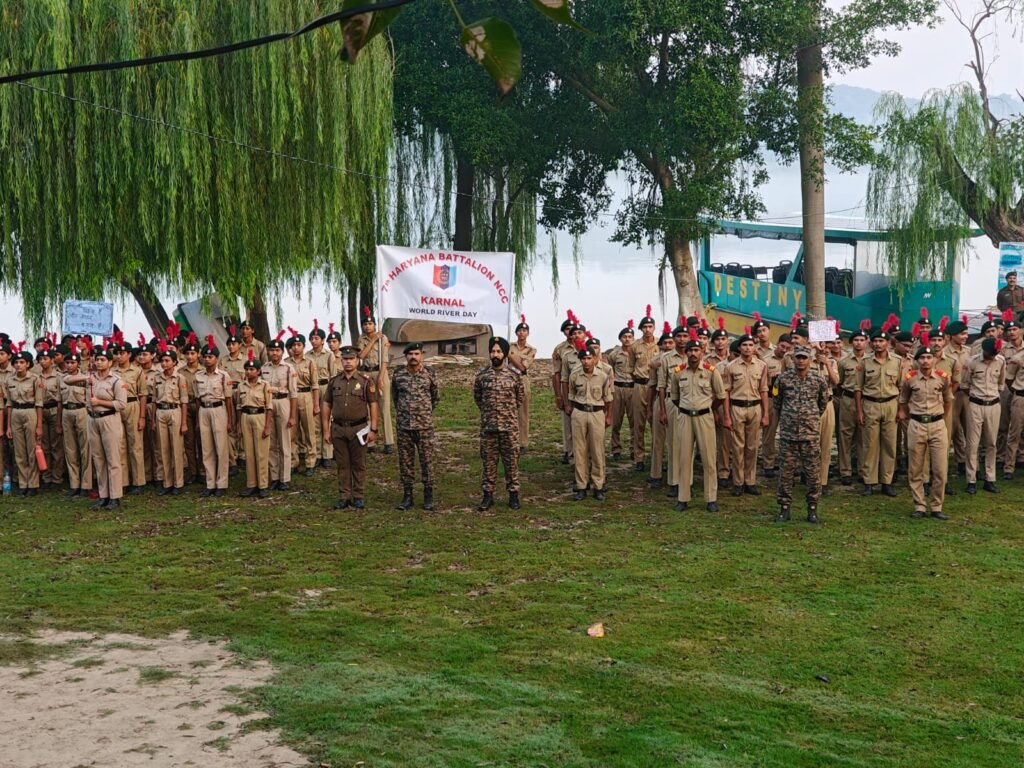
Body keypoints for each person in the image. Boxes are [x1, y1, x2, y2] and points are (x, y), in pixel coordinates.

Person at [898, 337, 953, 519]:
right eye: (922, 358)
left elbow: (947, 400)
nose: (925, 361)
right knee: (916, 468)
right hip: (917, 424)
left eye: (929, 358)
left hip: (937, 424)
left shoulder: (942, 378)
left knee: (940, 469)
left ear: (934, 360)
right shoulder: (910, 379)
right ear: (917, 361)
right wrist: (909, 414)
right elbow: (903, 401)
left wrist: (941, 418)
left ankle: (937, 506)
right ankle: (920, 505)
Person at [774, 345, 829, 523]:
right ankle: (784, 507)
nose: (801, 361)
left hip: (810, 435)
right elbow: (777, 402)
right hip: (788, 435)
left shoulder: (818, 380)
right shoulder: (783, 379)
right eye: (798, 357)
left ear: (810, 359)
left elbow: (822, 403)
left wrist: (809, 418)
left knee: (813, 474)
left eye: (804, 357)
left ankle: (812, 508)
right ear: (793, 358)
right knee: (786, 473)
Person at [669, 335, 725, 512]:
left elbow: (720, 396)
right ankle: (683, 498)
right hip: (685, 417)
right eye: (690, 351)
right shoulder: (678, 372)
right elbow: (675, 397)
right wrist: (686, 409)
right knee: (684, 458)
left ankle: (711, 498)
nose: (693, 354)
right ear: (686, 353)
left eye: (696, 350)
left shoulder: (711, 371)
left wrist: (708, 408)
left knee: (709, 458)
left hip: (704, 417)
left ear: (702, 352)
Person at [321, 345, 378, 509]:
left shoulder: (365, 381)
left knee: (358, 463)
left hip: (359, 428)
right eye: (345, 359)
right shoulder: (334, 381)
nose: (348, 362)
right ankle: (344, 495)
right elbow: (326, 405)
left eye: (351, 359)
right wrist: (326, 430)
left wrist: (373, 428)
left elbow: (373, 405)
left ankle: (358, 494)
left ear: (357, 360)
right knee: (342, 464)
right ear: (341, 361)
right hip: (338, 428)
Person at [473, 337, 524, 511]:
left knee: (511, 463)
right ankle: (488, 496)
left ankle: (513, 495)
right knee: (488, 462)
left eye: (498, 351)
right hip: (489, 428)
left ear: (504, 354)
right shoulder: (481, 375)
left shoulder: (514, 375)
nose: (495, 354)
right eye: (493, 351)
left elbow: (519, 399)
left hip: (509, 428)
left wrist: (506, 414)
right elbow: (478, 398)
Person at [855, 325, 901, 497]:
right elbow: (858, 388)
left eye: (881, 341)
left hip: (890, 404)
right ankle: (869, 481)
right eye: (874, 341)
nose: (877, 344)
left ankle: (887, 482)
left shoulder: (897, 362)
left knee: (889, 445)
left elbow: (902, 387)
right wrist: (859, 411)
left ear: (888, 343)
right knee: (870, 444)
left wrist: (901, 409)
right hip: (870, 404)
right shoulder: (864, 363)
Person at [392, 342, 439, 510]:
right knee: (406, 462)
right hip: (404, 426)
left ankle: (428, 495)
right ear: (406, 356)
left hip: (424, 426)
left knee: (427, 461)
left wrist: (423, 412)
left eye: (417, 354)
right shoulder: (398, 375)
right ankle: (408, 495)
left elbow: (435, 397)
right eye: (410, 354)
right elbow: (395, 397)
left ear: (422, 355)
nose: (413, 357)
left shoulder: (430, 374)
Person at [724, 331, 769, 496]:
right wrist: (727, 416)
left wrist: (765, 414)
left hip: (755, 408)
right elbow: (726, 392)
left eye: (751, 345)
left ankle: (750, 481)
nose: (748, 348)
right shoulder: (731, 367)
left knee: (752, 446)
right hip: (737, 407)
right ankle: (738, 481)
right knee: (737, 447)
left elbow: (764, 390)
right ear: (739, 347)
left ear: (754, 347)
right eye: (744, 345)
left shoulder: (761, 366)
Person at [565, 344, 613, 500]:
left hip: (597, 412)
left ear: (594, 359)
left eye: (589, 358)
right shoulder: (575, 375)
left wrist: (608, 416)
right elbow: (571, 394)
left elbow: (608, 398)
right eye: (583, 358)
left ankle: (598, 485)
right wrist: (572, 411)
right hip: (579, 412)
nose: (586, 362)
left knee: (597, 450)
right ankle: (581, 485)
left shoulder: (603, 376)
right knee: (579, 450)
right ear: (580, 360)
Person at [962, 337, 1006, 494]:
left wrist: (992, 396)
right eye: (990, 354)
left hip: (993, 405)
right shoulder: (972, 362)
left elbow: (1001, 383)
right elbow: (965, 384)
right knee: (972, 444)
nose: (992, 356)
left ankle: (990, 479)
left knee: (991, 443)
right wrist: (976, 397)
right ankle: (971, 480)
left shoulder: (1000, 361)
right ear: (984, 351)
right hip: (975, 404)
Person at [87, 346, 128, 509]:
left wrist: (100, 402)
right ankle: (103, 495)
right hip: (93, 420)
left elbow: (121, 404)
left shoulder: (117, 381)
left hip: (109, 418)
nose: (99, 362)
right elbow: (69, 380)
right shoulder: (91, 379)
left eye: (103, 360)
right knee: (98, 459)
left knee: (113, 459)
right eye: (97, 359)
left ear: (110, 362)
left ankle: (115, 496)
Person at [195, 337, 234, 497]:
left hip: (219, 410)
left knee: (221, 447)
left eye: (210, 357)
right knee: (207, 448)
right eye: (205, 356)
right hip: (204, 410)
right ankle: (210, 483)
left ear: (217, 359)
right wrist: (198, 418)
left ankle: (222, 483)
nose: (207, 359)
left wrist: (230, 420)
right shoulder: (198, 376)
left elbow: (229, 399)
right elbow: (197, 398)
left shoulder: (224, 376)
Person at [261, 332, 297, 491]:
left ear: (282, 352)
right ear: (268, 352)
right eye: (271, 350)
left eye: (277, 350)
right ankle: (274, 476)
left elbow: (293, 393)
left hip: (283, 401)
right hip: (268, 403)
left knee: (284, 442)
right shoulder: (264, 368)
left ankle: (285, 477)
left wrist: (292, 415)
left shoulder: (289, 368)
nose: (274, 353)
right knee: (271, 442)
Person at [152, 344, 189, 496]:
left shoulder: (180, 378)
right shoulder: (157, 378)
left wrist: (184, 422)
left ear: (174, 362)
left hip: (175, 411)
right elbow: (154, 399)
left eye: (167, 360)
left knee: (176, 448)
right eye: (162, 361)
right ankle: (167, 482)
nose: (164, 363)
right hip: (161, 411)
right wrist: (153, 420)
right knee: (163, 449)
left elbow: (184, 401)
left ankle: (178, 483)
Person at [5, 350, 43, 496]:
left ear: (28, 364)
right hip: (15, 413)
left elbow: (39, 403)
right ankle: (23, 483)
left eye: (22, 362)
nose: (18, 365)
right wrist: (8, 426)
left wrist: (39, 425)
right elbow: (9, 403)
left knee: (31, 449)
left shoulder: (34, 379)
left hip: (30, 412)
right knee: (19, 451)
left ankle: (33, 484)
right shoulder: (10, 380)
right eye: (16, 362)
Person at [357, 308, 394, 455]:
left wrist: (380, 377)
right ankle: (369, 441)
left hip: (380, 372)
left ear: (374, 325)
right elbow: (361, 355)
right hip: (366, 373)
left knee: (384, 407)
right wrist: (372, 340)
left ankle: (388, 441)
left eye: (370, 324)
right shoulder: (362, 340)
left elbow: (385, 359)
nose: (368, 326)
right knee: (367, 408)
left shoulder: (383, 338)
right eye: (365, 324)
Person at [236, 349, 272, 498]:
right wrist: (238, 425)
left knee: (261, 453)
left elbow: (269, 407)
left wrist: (268, 426)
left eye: (252, 369)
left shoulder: (264, 385)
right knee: (249, 453)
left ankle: (262, 485)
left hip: (259, 417)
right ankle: (251, 484)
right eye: (247, 369)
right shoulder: (241, 386)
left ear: (258, 372)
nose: (249, 372)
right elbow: (239, 406)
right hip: (246, 417)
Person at [114, 338, 148, 495]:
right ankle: (123, 481)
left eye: (122, 353)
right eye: (117, 353)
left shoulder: (137, 371)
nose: (119, 356)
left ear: (129, 354)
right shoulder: (112, 372)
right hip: (116, 407)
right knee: (119, 446)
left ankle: (139, 481)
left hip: (132, 405)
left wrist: (142, 416)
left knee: (135, 445)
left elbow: (143, 394)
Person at [628, 307, 660, 472]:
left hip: (656, 387)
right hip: (640, 385)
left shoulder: (660, 344)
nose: (648, 330)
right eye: (644, 327)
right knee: (638, 422)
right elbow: (631, 368)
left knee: (656, 423)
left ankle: (657, 457)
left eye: (650, 326)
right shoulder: (634, 347)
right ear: (640, 329)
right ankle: (639, 457)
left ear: (654, 328)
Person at [836, 324, 869, 485]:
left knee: (863, 437)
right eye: (855, 340)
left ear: (866, 342)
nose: (858, 343)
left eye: (862, 340)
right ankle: (845, 471)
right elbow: (839, 381)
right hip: (848, 400)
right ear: (851, 343)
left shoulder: (870, 360)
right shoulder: (843, 362)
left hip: (866, 401)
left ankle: (863, 470)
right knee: (845, 436)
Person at [58, 347, 91, 498]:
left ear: (78, 364)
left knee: (85, 448)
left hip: (81, 411)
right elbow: (59, 401)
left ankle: (86, 484)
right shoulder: (62, 378)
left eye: (73, 362)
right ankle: (74, 484)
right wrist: (59, 422)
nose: (70, 365)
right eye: (68, 362)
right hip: (66, 411)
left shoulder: (85, 378)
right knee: (70, 449)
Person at [285, 330, 320, 476]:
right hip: (290, 397)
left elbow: (315, 385)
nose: (296, 347)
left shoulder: (310, 362)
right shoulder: (286, 363)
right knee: (292, 432)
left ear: (303, 346)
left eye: (299, 344)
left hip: (306, 396)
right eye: (294, 345)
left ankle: (311, 461)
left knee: (309, 431)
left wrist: (316, 404)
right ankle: (293, 462)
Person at [308, 320, 336, 468]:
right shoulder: (307, 356)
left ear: (323, 340)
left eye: (317, 338)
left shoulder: (329, 355)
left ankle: (327, 454)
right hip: (313, 389)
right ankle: (317, 453)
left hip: (326, 387)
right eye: (312, 338)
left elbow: (334, 376)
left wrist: (332, 393)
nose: (314, 341)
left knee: (327, 420)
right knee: (316, 423)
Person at [35, 347, 65, 489]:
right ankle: (46, 477)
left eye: (46, 359)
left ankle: (57, 477)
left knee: (56, 446)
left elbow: (60, 399)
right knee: (44, 445)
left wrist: (59, 421)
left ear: (52, 361)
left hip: (55, 410)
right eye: (40, 359)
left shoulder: (59, 377)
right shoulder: (36, 377)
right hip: (41, 410)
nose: (43, 361)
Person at [605, 322, 635, 461]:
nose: (627, 339)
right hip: (618, 388)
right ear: (620, 339)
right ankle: (616, 448)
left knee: (634, 421)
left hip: (633, 388)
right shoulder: (614, 354)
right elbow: (610, 370)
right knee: (616, 420)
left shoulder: (637, 352)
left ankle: (634, 448)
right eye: (624, 336)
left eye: (630, 336)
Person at [507, 316, 536, 454]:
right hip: (508, 379)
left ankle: (522, 442)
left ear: (528, 333)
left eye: (525, 330)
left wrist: (510, 357)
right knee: (507, 410)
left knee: (522, 412)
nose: (522, 333)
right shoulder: (509, 346)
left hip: (522, 379)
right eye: (519, 330)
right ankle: (510, 440)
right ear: (516, 333)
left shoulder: (531, 350)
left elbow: (523, 367)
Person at [551, 313, 577, 465]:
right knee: (567, 422)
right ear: (563, 331)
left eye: (573, 329)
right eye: (567, 329)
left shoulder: (585, 347)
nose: (570, 331)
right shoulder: (560, 349)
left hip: (583, 390)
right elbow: (556, 374)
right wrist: (558, 396)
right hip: (566, 388)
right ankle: (568, 451)